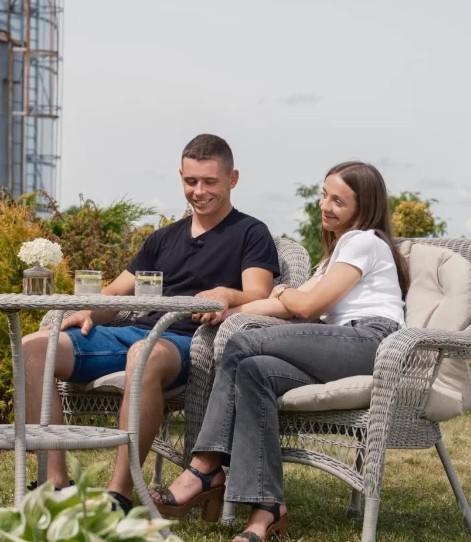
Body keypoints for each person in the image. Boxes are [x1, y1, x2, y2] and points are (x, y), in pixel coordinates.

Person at [20, 134, 281, 512]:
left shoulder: (250, 233)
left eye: (210, 182)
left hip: (190, 342)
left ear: (232, 179)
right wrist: (91, 311)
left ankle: (119, 496)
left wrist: (227, 294)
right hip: (133, 332)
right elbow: (116, 293)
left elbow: (259, 294)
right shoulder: (162, 239)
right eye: (191, 181)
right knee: (33, 348)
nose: (199, 191)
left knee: (143, 354)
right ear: (181, 176)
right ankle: (54, 485)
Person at [151, 161, 409, 542]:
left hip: (373, 343)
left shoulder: (363, 241)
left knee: (242, 345)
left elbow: (305, 306)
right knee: (255, 370)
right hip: (338, 346)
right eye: (324, 194)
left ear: (363, 207)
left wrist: (283, 291)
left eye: (338, 201)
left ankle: (204, 467)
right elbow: (289, 306)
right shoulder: (334, 254)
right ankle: (268, 509)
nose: (325, 205)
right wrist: (225, 310)